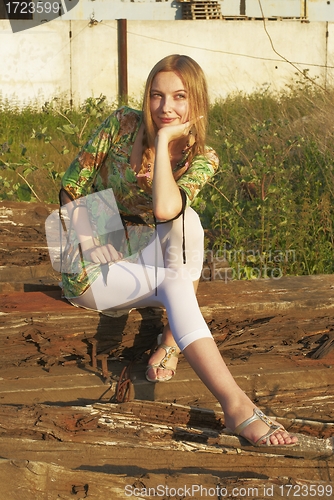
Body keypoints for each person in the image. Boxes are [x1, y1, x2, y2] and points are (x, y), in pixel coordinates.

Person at [59, 54, 297, 448]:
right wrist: (89, 239)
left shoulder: (203, 157)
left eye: (179, 97)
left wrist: (167, 140)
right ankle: (227, 397)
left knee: (189, 223)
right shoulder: (123, 122)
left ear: (196, 102)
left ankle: (182, 348)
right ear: (146, 97)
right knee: (177, 276)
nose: (165, 107)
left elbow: (166, 210)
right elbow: (71, 183)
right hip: (90, 259)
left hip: (143, 260)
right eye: (156, 95)